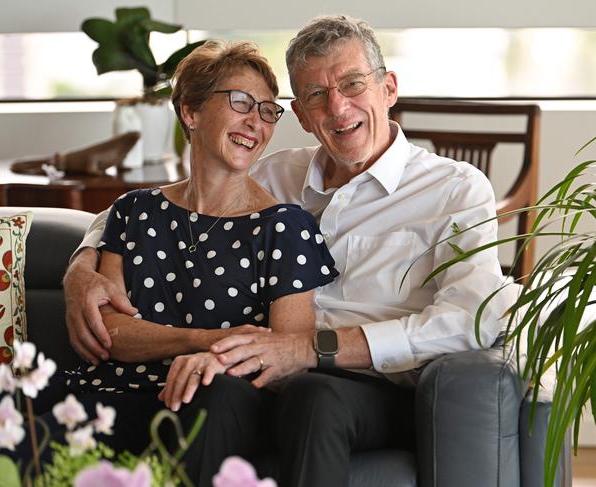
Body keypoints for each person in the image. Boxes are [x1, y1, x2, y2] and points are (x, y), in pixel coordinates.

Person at [65, 15, 515, 487]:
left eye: (353, 83)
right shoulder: (277, 176)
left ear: (388, 88)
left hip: (379, 384)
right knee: (221, 391)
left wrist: (308, 347)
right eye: (317, 95)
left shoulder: (453, 189)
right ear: (300, 114)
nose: (338, 108)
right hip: (269, 374)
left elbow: (473, 318)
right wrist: (82, 265)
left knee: (314, 395)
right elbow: (163, 206)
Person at [0, 40, 338, 486]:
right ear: (190, 111)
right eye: (241, 102)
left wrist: (193, 352)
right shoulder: (136, 210)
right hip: (97, 392)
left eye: (268, 110)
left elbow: (286, 353)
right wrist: (208, 338)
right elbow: (110, 334)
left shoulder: (285, 227)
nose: (257, 122)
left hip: (197, 400)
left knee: (27, 447)